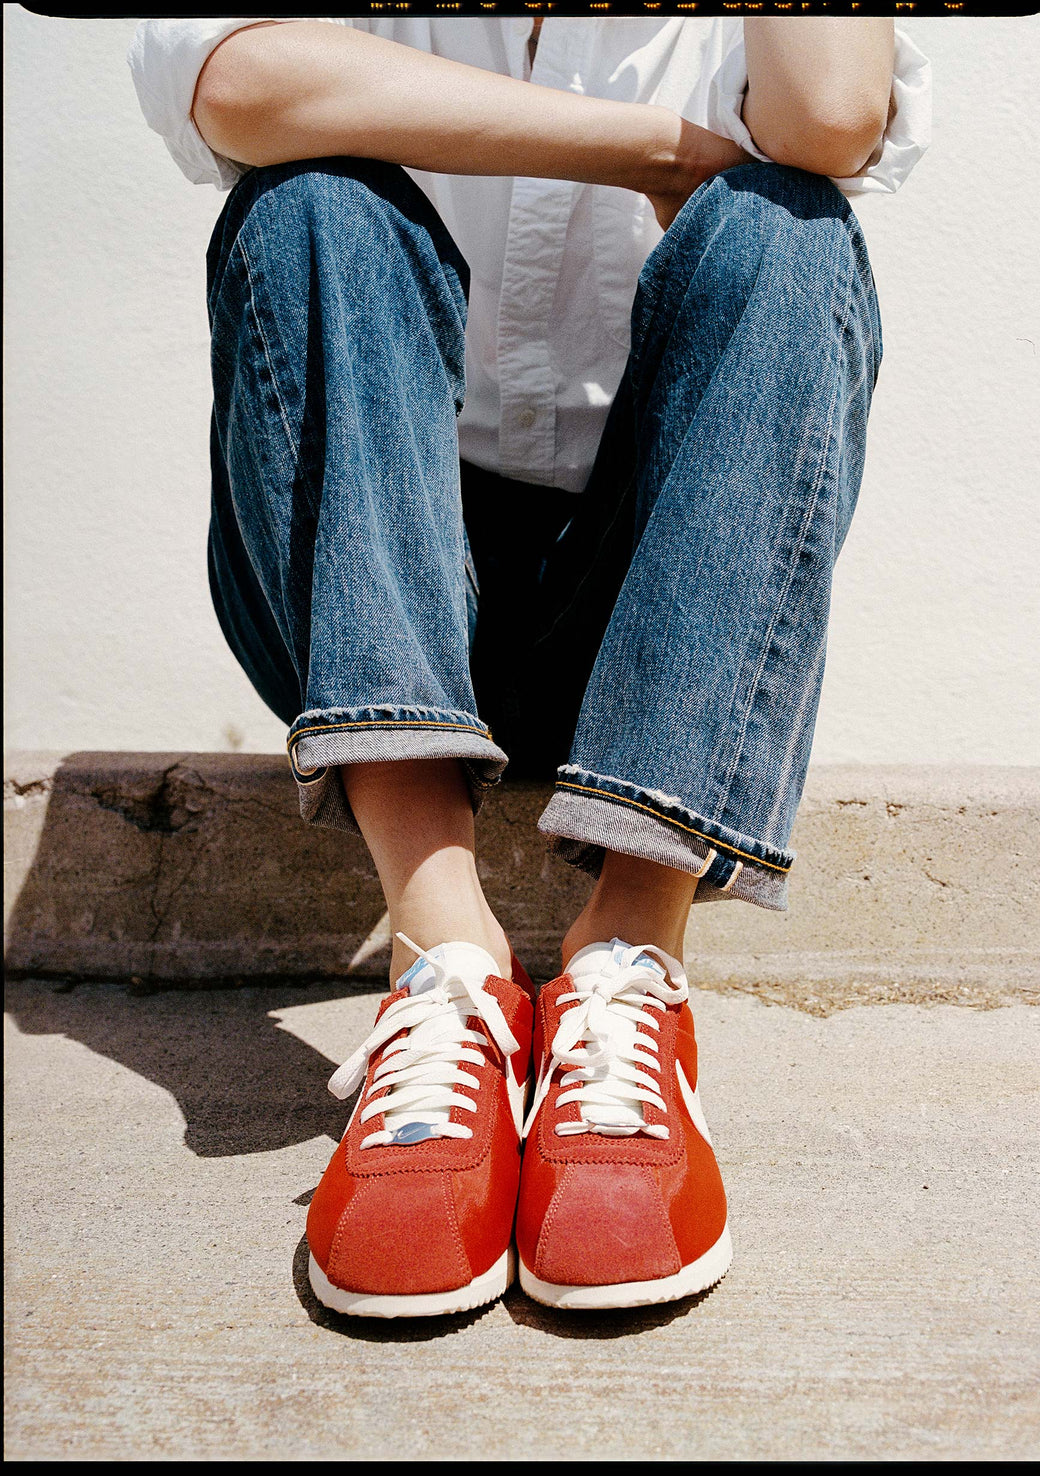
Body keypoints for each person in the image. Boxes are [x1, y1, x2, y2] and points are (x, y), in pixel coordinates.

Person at [129, 14, 931, 1317]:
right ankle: (446, 960)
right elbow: (235, 84)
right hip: (363, 592)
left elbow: (833, 114)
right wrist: (651, 151)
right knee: (308, 199)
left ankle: (630, 965)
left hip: (645, 626)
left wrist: (716, 169)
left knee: (791, 226)